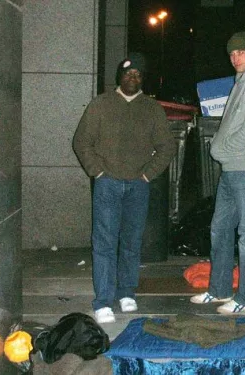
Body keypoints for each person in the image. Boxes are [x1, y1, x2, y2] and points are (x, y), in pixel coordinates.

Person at [73, 53, 176, 324]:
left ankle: (126, 291)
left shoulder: (152, 109)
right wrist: (98, 172)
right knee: (105, 243)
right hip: (107, 184)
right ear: (120, 76)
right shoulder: (101, 104)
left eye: (138, 74)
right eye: (128, 73)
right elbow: (82, 142)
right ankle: (103, 300)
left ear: (142, 79)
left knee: (131, 242)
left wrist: (147, 175)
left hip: (137, 187)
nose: (133, 77)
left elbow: (167, 147)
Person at [191, 31, 245, 314]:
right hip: (232, 170)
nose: (235, 58)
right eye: (231, 54)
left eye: (240, 52)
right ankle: (218, 290)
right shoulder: (243, 82)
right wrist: (224, 151)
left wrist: (222, 149)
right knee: (219, 229)